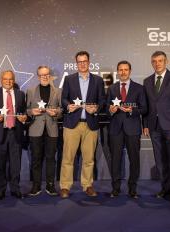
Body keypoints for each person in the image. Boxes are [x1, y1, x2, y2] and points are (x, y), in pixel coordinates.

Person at [143, 51, 170, 203]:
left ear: (166, 61)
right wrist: (146, 125)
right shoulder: (147, 81)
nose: (157, 63)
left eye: (160, 60)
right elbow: (147, 106)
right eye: (154, 61)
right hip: (154, 127)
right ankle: (165, 188)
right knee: (160, 160)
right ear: (152, 63)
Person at [59, 51, 105, 198]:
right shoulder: (69, 79)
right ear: (76, 63)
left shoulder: (98, 80)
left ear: (89, 62)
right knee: (68, 158)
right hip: (72, 123)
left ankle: (87, 185)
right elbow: (63, 99)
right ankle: (65, 186)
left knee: (89, 158)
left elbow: (102, 100)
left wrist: (96, 107)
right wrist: (68, 106)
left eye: (85, 61)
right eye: (80, 62)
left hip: (90, 125)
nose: (82, 64)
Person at [106, 60, 147, 199]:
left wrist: (131, 110)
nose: (123, 72)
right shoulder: (111, 89)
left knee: (134, 160)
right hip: (115, 129)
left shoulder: (139, 88)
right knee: (115, 160)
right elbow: (106, 109)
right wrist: (111, 110)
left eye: (126, 70)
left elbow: (144, 108)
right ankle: (115, 189)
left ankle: (132, 189)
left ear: (130, 71)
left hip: (133, 129)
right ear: (117, 72)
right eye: (120, 70)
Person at [0, 70, 27, 200]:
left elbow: (24, 112)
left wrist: (24, 117)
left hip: (15, 133)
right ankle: (1, 191)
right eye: (5, 79)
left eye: (10, 79)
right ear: (1, 80)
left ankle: (15, 189)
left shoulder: (20, 94)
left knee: (16, 165)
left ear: (13, 80)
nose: (8, 81)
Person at [26, 66, 62, 196]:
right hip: (35, 129)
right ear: (38, 76)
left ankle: (50, 185)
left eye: (47, 74)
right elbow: (26, 110)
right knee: (36, 158)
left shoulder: (58, 91)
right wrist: (32, 112)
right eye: (42, 75)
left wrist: (56, 112)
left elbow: (62, 110)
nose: (45, 77)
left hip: (51, 129)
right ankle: (36, 185)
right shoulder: (30, 91)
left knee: (51, 158)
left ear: (50, 75)